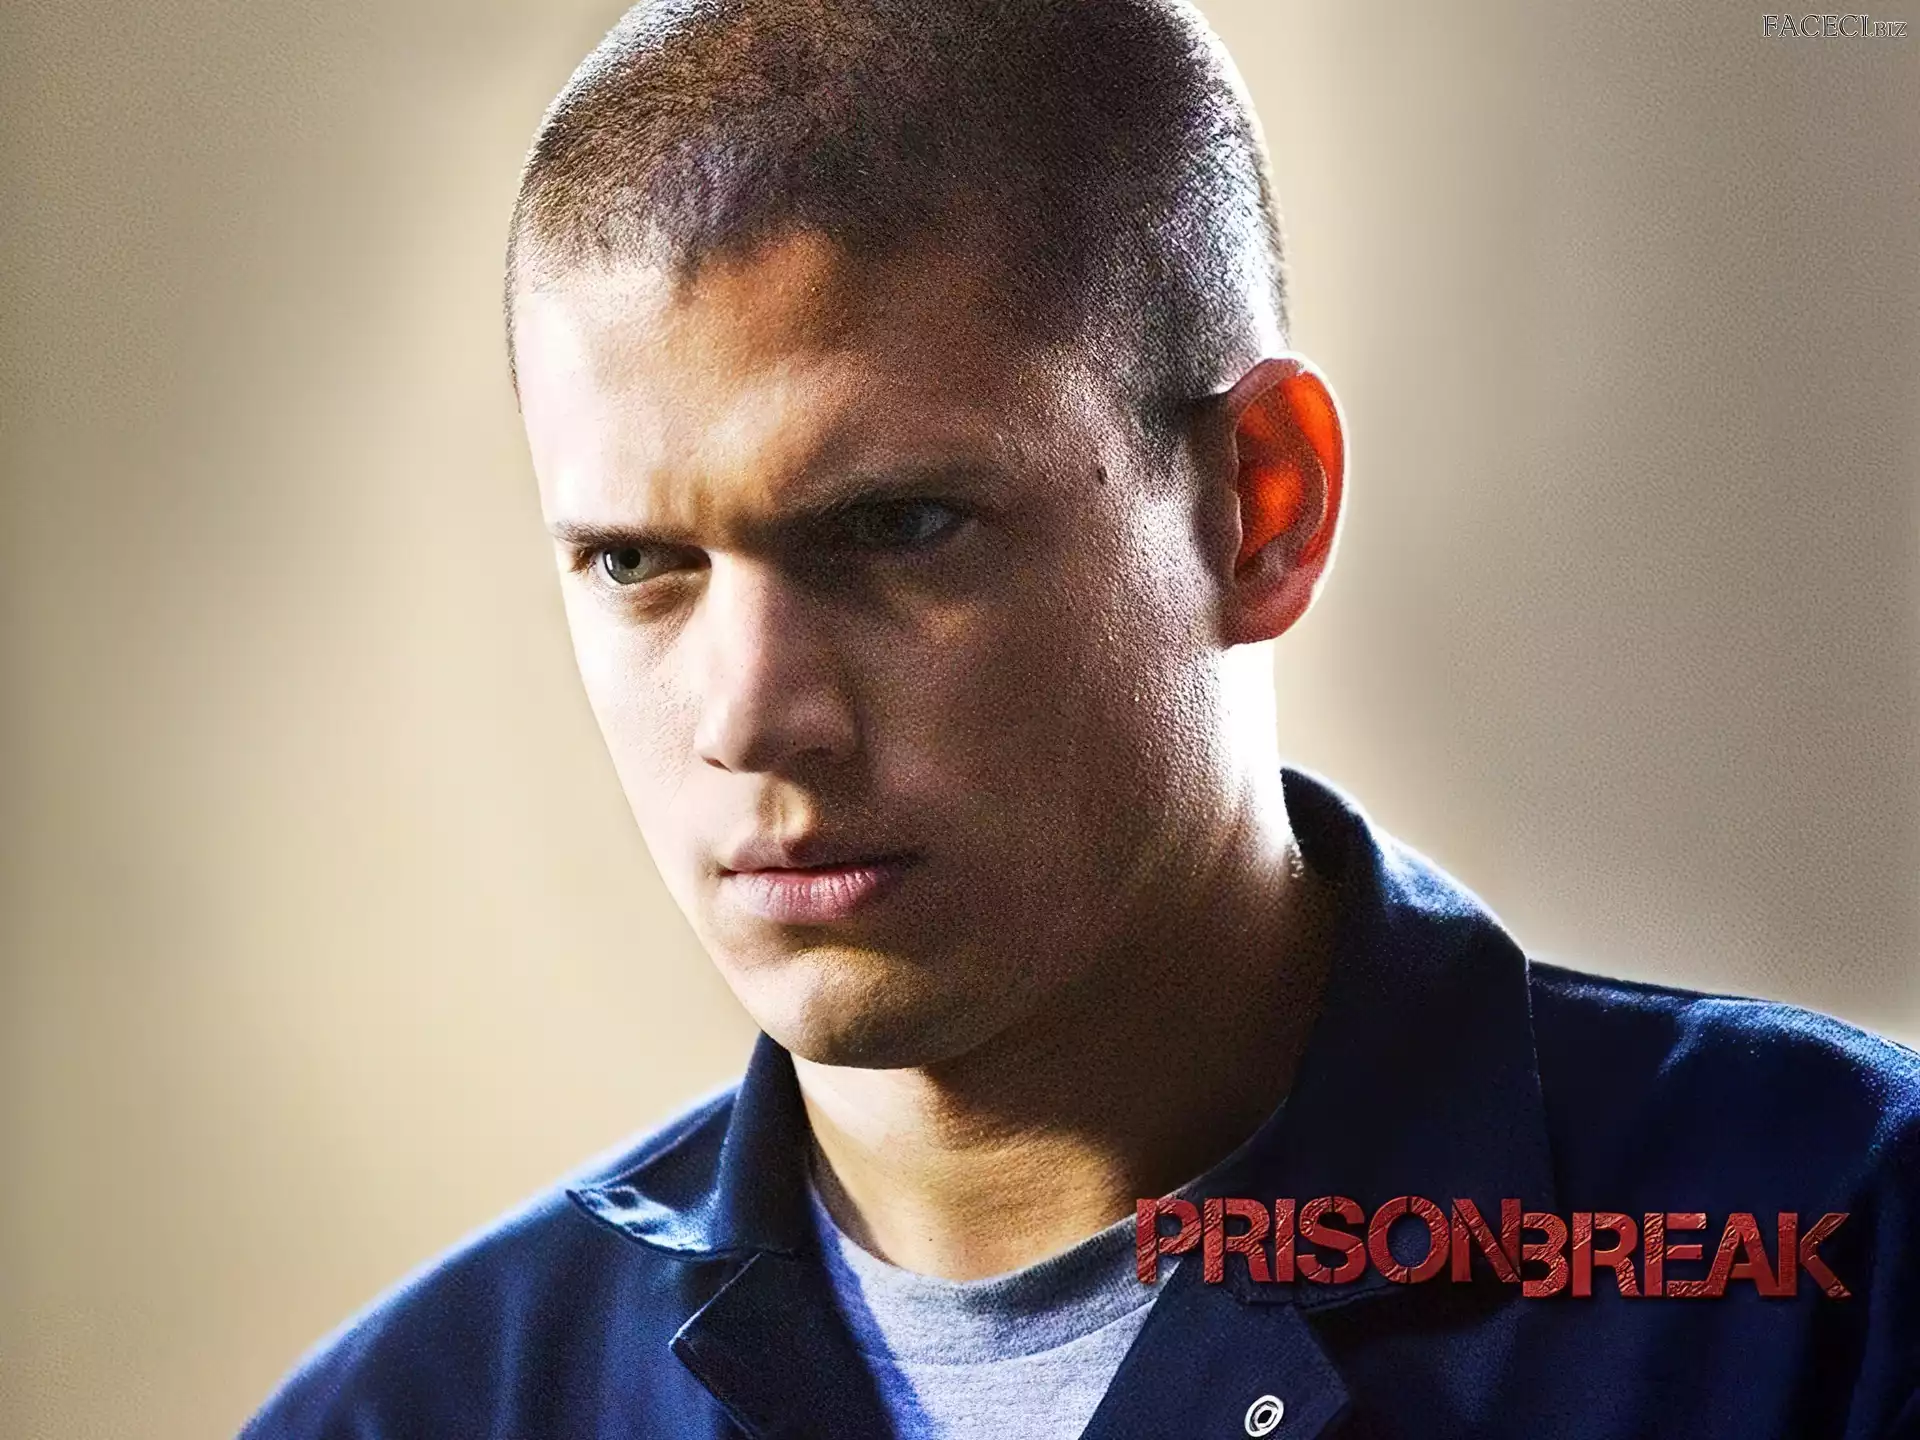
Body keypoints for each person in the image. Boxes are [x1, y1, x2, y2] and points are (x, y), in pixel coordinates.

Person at [241, 1, 1920, 1435]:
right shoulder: (417, 1413)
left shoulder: (1848, 1267)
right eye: (635, 563)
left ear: (1261, 507)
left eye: (897, 526)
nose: (752, 717)